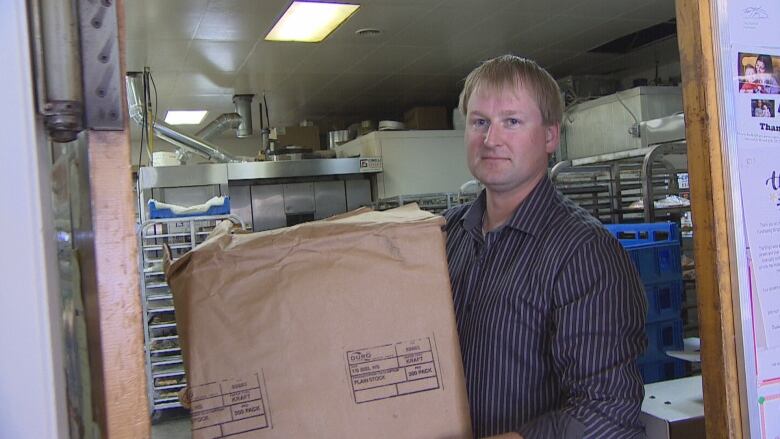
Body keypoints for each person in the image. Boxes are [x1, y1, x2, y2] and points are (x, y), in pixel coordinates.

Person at [444, 55, 647, 438]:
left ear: (551, 136)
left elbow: (606, 414)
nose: (490, 139)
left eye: (512, 121)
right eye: (479, 122)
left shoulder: (583, 252)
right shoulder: (448, 236)